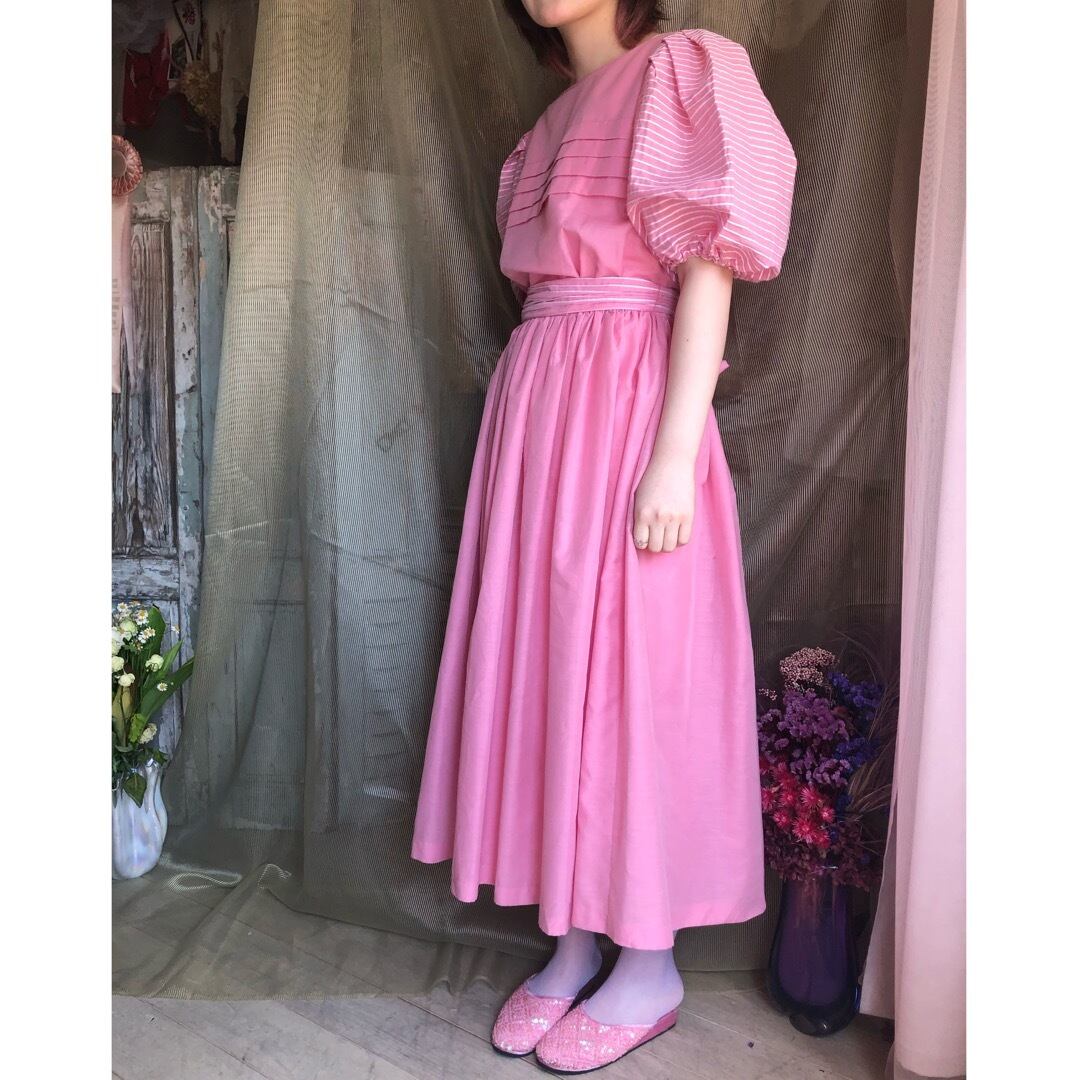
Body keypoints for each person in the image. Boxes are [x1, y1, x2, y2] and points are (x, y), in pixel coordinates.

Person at [410, 0, 797, 1071]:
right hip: (540, 409)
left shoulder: (684, 69)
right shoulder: (539, 132)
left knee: (632, 672)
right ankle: (574, 933)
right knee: (548, 667)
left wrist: (674, 450)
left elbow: (708, 268)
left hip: (629, 400)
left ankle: (649, 958)